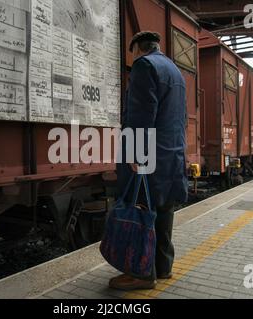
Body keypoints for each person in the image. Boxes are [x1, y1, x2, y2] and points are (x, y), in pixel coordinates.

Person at [110, 31, 188, 291]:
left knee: (141, 209)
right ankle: (163, 267)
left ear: (137, 48)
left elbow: (142, 113)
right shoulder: (175, 72)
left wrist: (135, 152)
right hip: (171, 154)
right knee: (164, 210)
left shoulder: (145, 65)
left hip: (149, 155)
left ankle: (142, 274)